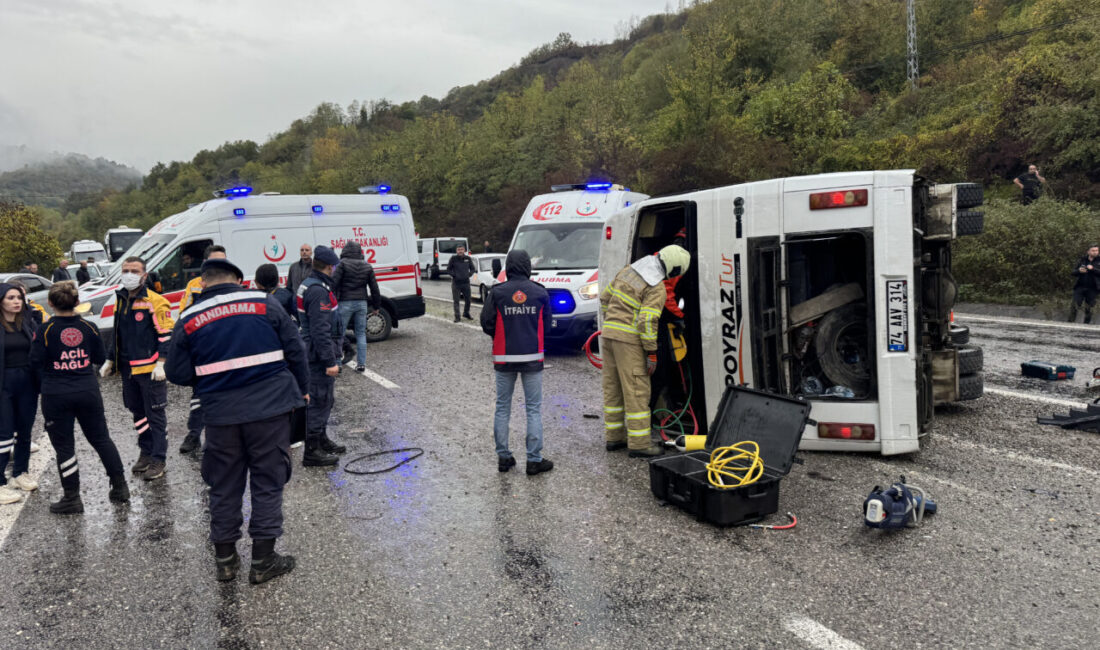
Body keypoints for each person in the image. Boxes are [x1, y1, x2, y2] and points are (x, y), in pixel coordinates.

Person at [166, 257, 307, 584]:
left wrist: (210, 377)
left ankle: (226, 562)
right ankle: (263, 561)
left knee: (224, 485)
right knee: (267, 482)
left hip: (219, 416)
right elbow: (296, 349)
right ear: (238, 279)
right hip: (270, 411)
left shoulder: (188, 317)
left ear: (203, 283)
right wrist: (302, 392)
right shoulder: (263, 302)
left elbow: (176, 371)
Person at [30, 282, 129, 514]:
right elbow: (98, 357)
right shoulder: (90, 327)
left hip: (56, 393)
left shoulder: (44, 330)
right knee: (102, 439)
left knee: (64, 447)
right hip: (87, 390)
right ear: (77, 302)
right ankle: (121, 487)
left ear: (51, 303)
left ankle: (72, 497)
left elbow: (35, 362)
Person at [600, 245, 691, 458]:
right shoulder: (656, 286)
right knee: (637, 391)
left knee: (613, 388)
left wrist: (612, 324)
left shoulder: (627, 271)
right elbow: (647, 321)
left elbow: (605, 298)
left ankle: (614, 438)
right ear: (674, 269)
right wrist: (651, 352)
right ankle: (639, 444)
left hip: (609, 337)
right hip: (629, 343)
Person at [100, 256, 175, 480]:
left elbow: (165, 335)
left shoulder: (155, 301)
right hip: (127, 368)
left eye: (134, 270)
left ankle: (159, 459)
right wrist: (110, 359)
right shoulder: (121, 298)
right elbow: (118, 332)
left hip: (150, 369)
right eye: (125, 270)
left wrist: (161, 363)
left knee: (156, 415)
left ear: (144, 275)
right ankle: (146, 450)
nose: (129, 274)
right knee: (137, 412)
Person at [480, 250, 553, 475]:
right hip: (532, 357)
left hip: (504, 357)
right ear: (528, 267)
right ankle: (534, 460)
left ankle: (504, 457)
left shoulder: (498, 292)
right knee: (533, 409)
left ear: (508, 267)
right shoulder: (539, 293)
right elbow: (548, 325)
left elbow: (486, 323)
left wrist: (500, 336)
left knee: (502, 407)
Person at [296, 245, 345, 467]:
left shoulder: (312, 284)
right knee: (319, 400)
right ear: (328, 267)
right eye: (333, 266)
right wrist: (329, 361)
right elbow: (319, 330)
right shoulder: (317, 291)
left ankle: (322, 439)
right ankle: (312, 450)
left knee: (326, 399)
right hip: (317, 356)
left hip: (316, 351)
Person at [177, 245, 227, 454]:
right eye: (216, 260)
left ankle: (226, 436)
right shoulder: (194, 285)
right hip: (204, 346)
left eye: (223, 260)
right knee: (200, 392)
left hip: (226, 345)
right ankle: (194, 434)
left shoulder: (233, 282)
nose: (221, 264)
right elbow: (183, 312)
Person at [0, 282, 41, 503]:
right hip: (4, 383)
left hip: (26, 382)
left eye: (19, 297)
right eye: (11, 298)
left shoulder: (26, 322)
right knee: (4, 434)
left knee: (24, 430)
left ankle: (19, 473)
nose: (17, 301)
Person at [332, 241, 380, 373]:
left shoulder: (342, 264)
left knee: (339, 334)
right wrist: (376, 306)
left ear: (345, 251)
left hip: (345, 302)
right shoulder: (367, 266)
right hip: (362, 303)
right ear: (360, 251)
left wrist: (330, 300)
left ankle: (338, 364)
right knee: (360, 334)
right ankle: (361, 364)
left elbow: (334, 283)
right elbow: (374, 288)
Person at [1069, 244, 1100, 324]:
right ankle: (1070, 323)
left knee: (1089, 308)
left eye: (1096, 250)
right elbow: (1073, 272)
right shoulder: (1082, 260)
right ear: (1088, 251)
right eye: (1093, 251)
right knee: (1075, 305)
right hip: (1080, 287)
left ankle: (1086, 324)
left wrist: (1093, 269)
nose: (1095, 252)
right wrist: (1079, 271)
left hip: (1093, 288)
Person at [448, 245, 477, 322]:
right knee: (456, 301)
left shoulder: (468, 258)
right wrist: (454, 275)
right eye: (458, 250)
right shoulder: (453, 259)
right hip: (456, 283)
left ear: (464, 250)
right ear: (456, 251)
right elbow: (448, 269)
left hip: (466, 283)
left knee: (468, 300)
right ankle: (457, 317)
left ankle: (466, 313)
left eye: (461, 249)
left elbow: (473, 268)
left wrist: (469, 274)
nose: (460, 251)